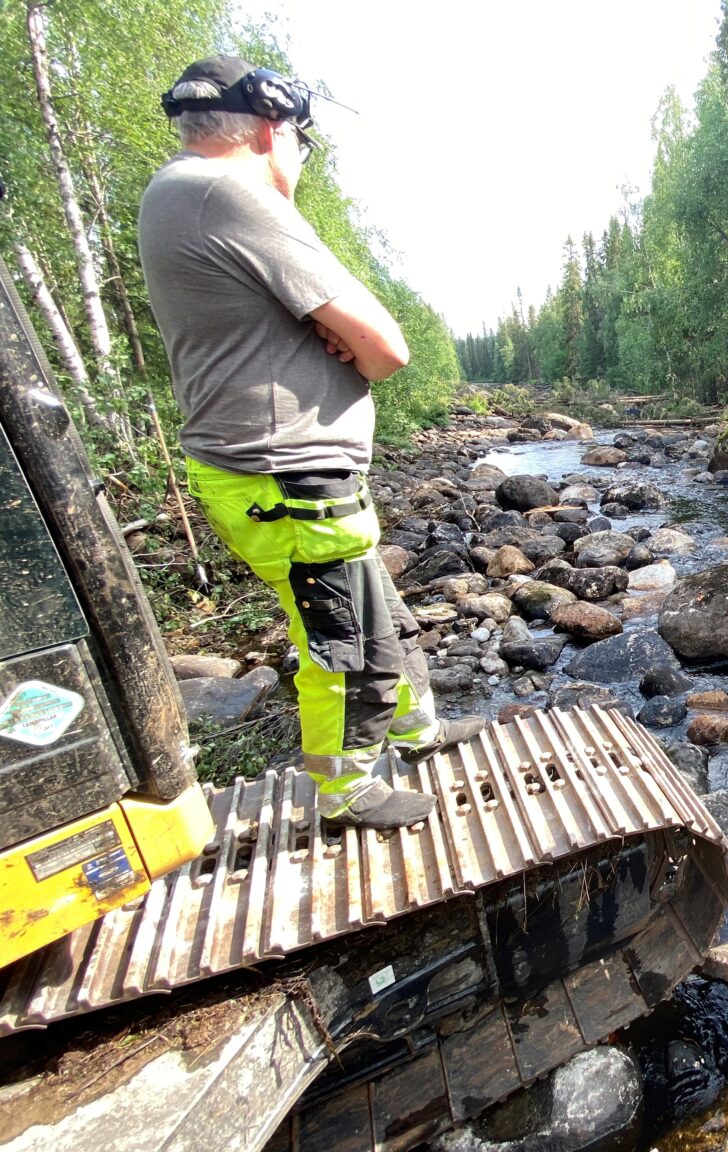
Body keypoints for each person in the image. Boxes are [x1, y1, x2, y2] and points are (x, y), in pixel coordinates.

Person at [138, 56, 483, 829]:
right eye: (300, 141)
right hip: (286, 477)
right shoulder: (230, 193)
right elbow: (388, 347)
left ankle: (417, 733)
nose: (298, 157)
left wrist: (326, 334)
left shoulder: (177, 194)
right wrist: (341, 337)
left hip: (272, 474)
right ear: (271, 130)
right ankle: (346, 792)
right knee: (347, 644)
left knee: (382, 618)